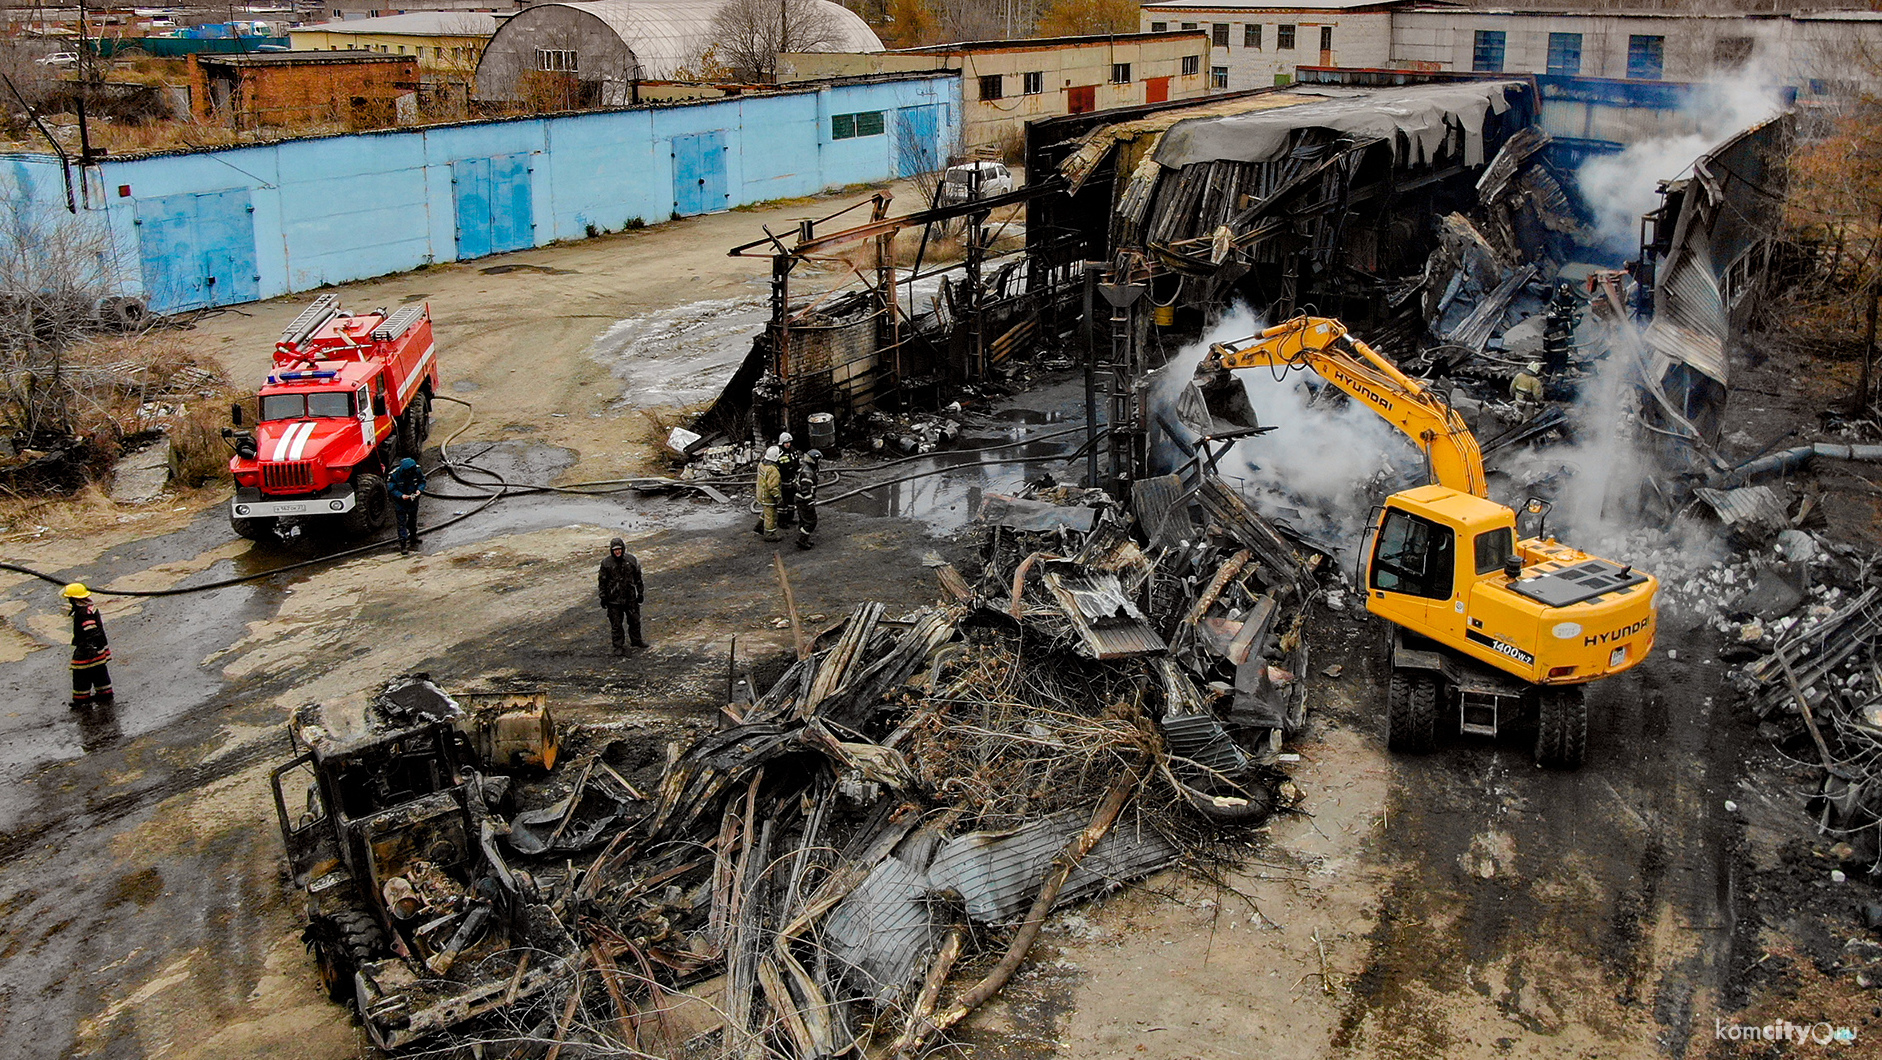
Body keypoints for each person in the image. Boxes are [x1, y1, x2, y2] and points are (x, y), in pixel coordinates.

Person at [64, 583, 112, 708]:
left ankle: (81, 699)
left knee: (81, 673)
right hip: (98, 648)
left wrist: (89, 647)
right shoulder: (91, 608)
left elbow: (91, 630)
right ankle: (105, 693)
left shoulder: (83, 613)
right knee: (99, 671)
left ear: (74, 599)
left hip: (87, 650)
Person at [597, 537, 646, 654]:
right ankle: (618, 646)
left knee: (634, 621)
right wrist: (603, 597)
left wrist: (640, 593)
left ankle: (636, 640)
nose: (617, 552)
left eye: (619, 549)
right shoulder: (606, 563)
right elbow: (602, 581)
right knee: (616, 625)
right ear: (611, 550)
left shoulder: (631, 560)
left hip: (630, 597)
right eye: (615, 550)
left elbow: (638, 578)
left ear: (623, 549)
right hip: (613, 600)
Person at [387, 456, 427, 553]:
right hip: (400, 502)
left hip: (413, 501)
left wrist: (419, 490)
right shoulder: (394, 475)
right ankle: (403, 543)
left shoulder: (416, 471)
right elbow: (391, 488)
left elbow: (422, 481)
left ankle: (413, 536)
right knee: (401, 522)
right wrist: (401, 495)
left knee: (413, 519)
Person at [754, 445, 783, 541]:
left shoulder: (761, 464)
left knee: (766, 511)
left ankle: (759, 526)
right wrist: (779, 498)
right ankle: (770, 534)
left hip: (760, 493)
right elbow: (773, 487)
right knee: (771, 514)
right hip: (768, 496)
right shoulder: (773, 471)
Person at [795, 449, 822, 549]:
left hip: (800, 500)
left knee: (803, 520)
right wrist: (810, 503)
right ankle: (802, 540)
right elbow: (806, 491)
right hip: (804, 501)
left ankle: (803, 537)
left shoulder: (806, 469)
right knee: (811, 521)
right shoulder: (808, 474)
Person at [775, 432, 799, 526]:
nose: (788, 444)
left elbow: (796, 463)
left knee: (791, 502)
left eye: (789, 442)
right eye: (786, 443)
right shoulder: (779, 453)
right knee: (783, 503)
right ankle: (782, 521)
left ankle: (790, 518)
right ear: (781, 443)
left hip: (792, 480)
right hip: (783, 482)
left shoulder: (793, 450)